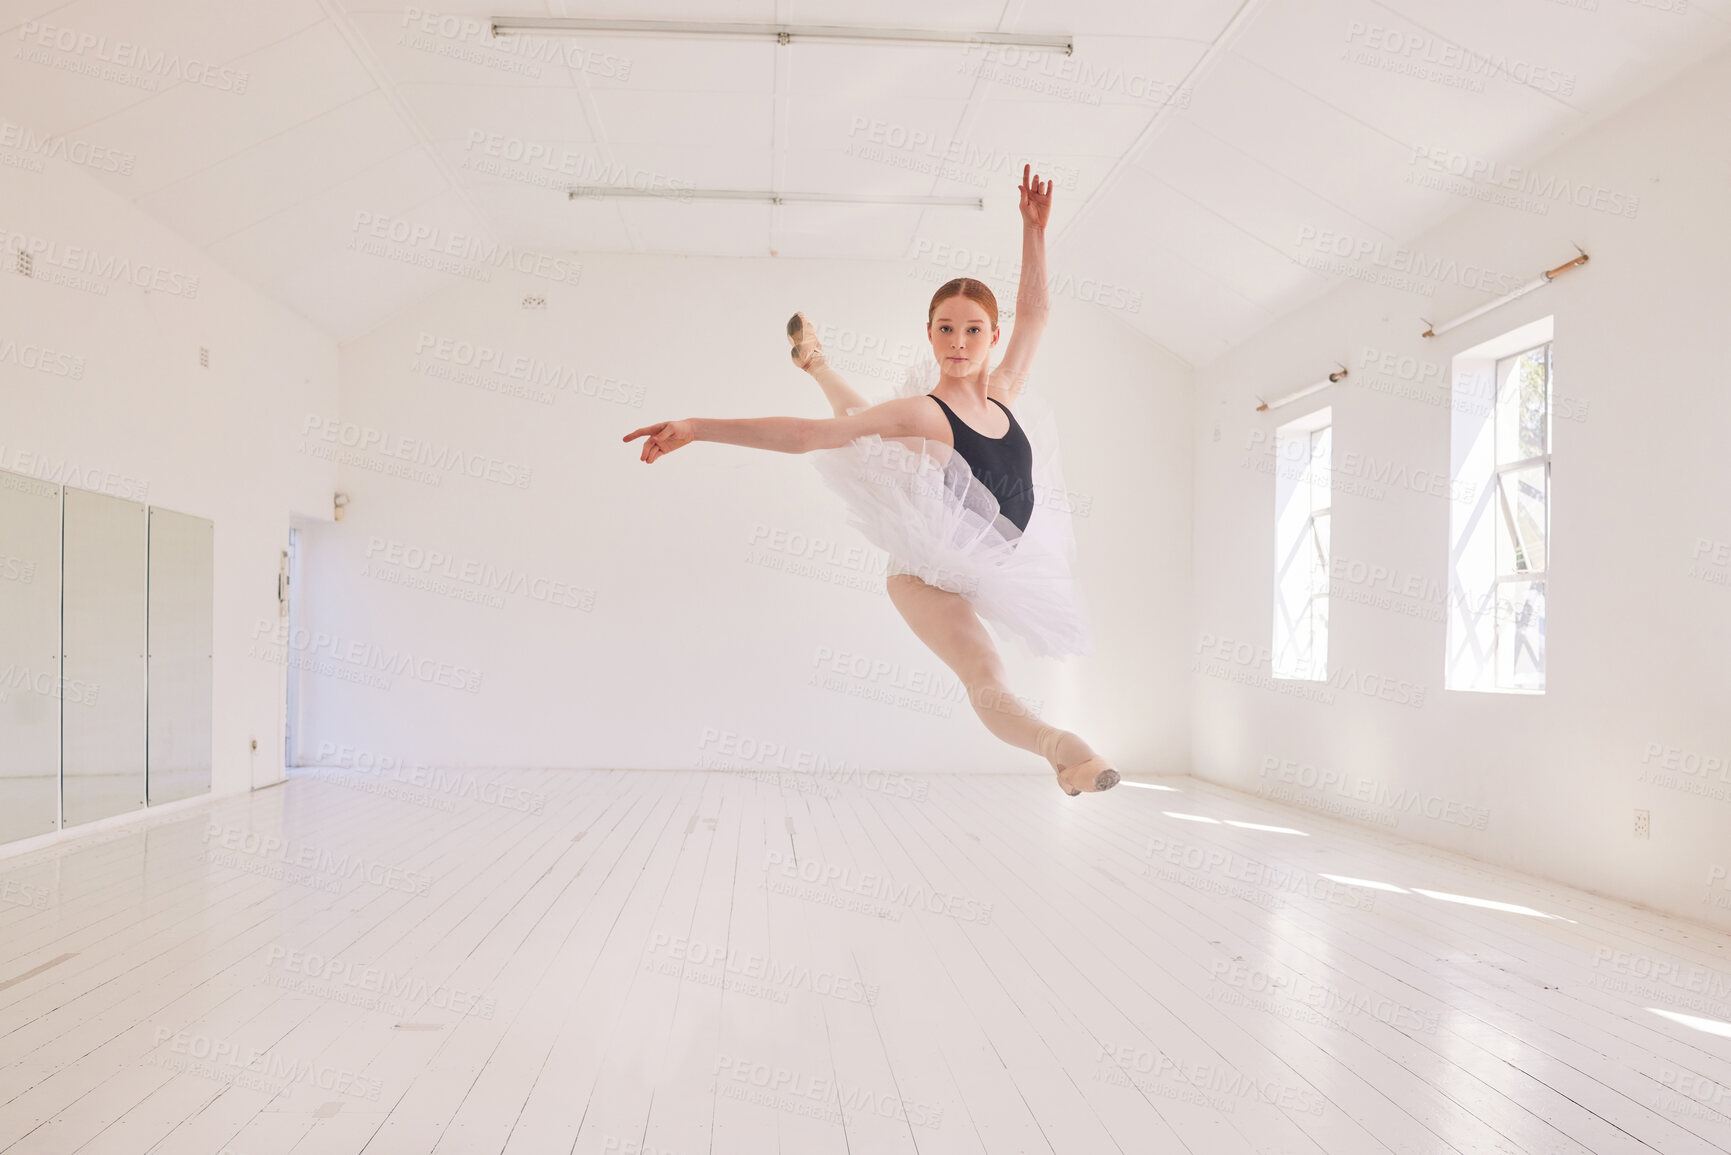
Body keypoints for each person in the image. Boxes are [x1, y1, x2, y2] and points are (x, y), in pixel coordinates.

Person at [625, 166, 1117, 795]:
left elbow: (1038, 314)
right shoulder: (922, 412)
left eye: (973, 330)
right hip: (924, 568)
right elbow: (806, 437)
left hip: (992, 559)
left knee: (867, 434)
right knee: (985, 673)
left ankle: (817, 363)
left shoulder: (1005, 394)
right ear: (930, 334)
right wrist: (697, 426)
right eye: (945, 328)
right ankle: (1064, 754)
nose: (959, 341)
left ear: (993, 337)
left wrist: (1033, 230)